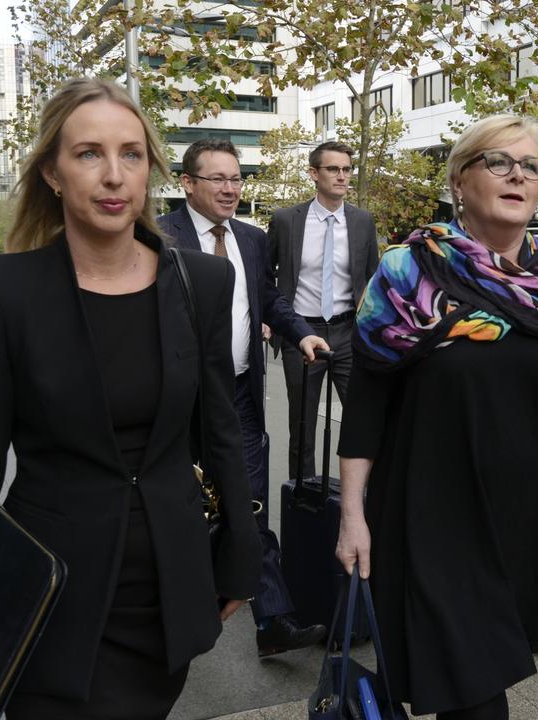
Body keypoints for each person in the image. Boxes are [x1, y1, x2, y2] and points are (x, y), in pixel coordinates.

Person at [0, 78, 261, 718]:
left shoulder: (203, 281)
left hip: (165, 595)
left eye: (131, 154)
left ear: (151, 168)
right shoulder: (3, 291)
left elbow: (220, 427)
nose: (114, 175)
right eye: (89, 153)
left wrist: (239, 555)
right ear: (53, 173)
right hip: (51, 596)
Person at [334, 115, 538, 720]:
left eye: (532, 167)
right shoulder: (408, 272)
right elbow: (367, 399)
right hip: (433, 518)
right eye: (498, 162)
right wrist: (352, 514)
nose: (518, 176)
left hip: (533, 515)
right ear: (460, 180)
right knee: (474, 701)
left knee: (489, 670)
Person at [158, 138, 330, 657]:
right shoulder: (159, 237)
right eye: (218, 179)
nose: (230, 188)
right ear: (187, 184)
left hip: (240, 395)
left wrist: (300, 332)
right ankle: (176, 614)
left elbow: (270, 299)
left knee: (251, 506)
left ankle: (272, 620)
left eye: (236, 178)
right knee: (181, 511)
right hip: (179, 403)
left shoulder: (252, 240)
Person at [266, 141, 380, 482]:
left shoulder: (362, 221)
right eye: (333, 169)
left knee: (362, 419)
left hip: (349, 334)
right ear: (314, 174)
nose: (342, 176)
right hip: (301, 335)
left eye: (347, 169)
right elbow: (265, 276)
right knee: (302, 427)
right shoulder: (286, 220)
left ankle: (365, 499)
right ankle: (302, 500)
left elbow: (372, 278)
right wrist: (269, 319)